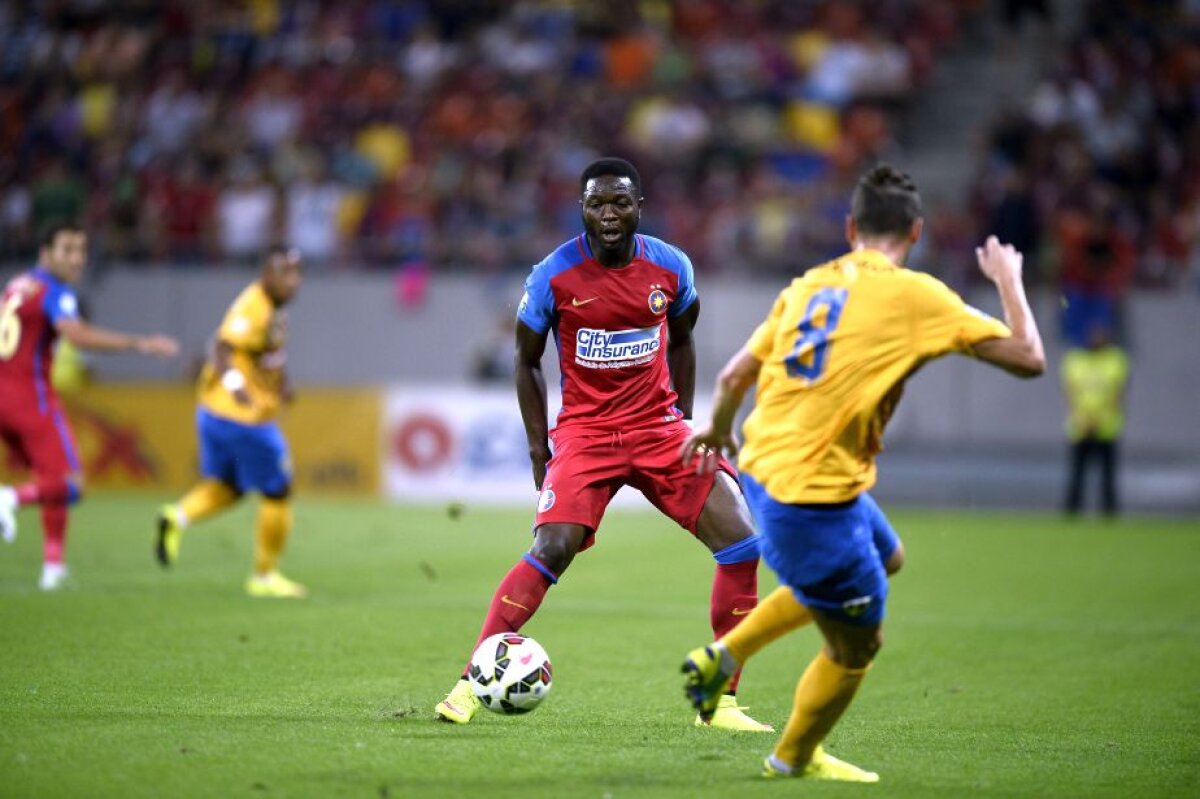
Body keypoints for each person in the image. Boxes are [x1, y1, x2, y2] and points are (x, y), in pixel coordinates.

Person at [679, 164, 1045, 782]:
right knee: (857, 645)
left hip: (770, 469)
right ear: (916, 231)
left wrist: (717, 428)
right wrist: (1009, 280)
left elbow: (732, 375)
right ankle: (792, 757)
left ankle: (725, 655)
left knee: (888, 558)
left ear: (850, 227)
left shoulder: (808, 285)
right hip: (811, 494)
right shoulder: (916, 295)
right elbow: (1029, 357)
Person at [434, 158, 770, 731]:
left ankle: (720, 701)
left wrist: (684, 423)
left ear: (639, 206)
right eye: (597, 204)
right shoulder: (553, 276)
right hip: (588, 434)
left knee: (741, 541)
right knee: (553, 548)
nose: (609, 214)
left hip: (658, 428)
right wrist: (540, 451)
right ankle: (469, 684)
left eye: (620, 203)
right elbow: (525, 361)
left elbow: (683, 342)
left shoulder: (671, 267)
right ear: (582, 209)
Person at [0, 221, 179, 590]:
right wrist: (139, 344)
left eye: (81, 250)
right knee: (72, 483)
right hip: (29, 397)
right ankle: (9, 497)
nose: (77, 259)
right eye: (67, 250)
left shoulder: (17, 285)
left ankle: (53, 567)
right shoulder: (55, 290)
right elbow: (77, 336)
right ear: (44, 253)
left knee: (49, 477)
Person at [155, 246, 306, 598]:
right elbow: (222, 348)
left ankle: (176, 517)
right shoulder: (253, 305)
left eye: (296, 273)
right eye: (284, 273)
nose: (292, 281)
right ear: (266, 274)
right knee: (278, 489)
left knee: (230, 486)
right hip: (242, 417)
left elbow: (264, 355)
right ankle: (264, 576)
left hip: (215, 413)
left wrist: (282, 383)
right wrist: (238, 387)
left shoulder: (273, 310)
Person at [1062, 325, 1128, 517]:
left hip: (1105, 428)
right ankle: (1071, 512)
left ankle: (1110, 513)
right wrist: (1082, 419)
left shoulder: (1115, 360)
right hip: (1080, 428)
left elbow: (1118, 394)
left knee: (1107, 476)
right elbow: (1069, 394)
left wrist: (1098, 420)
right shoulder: (1074, 360)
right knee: (1077, 475)